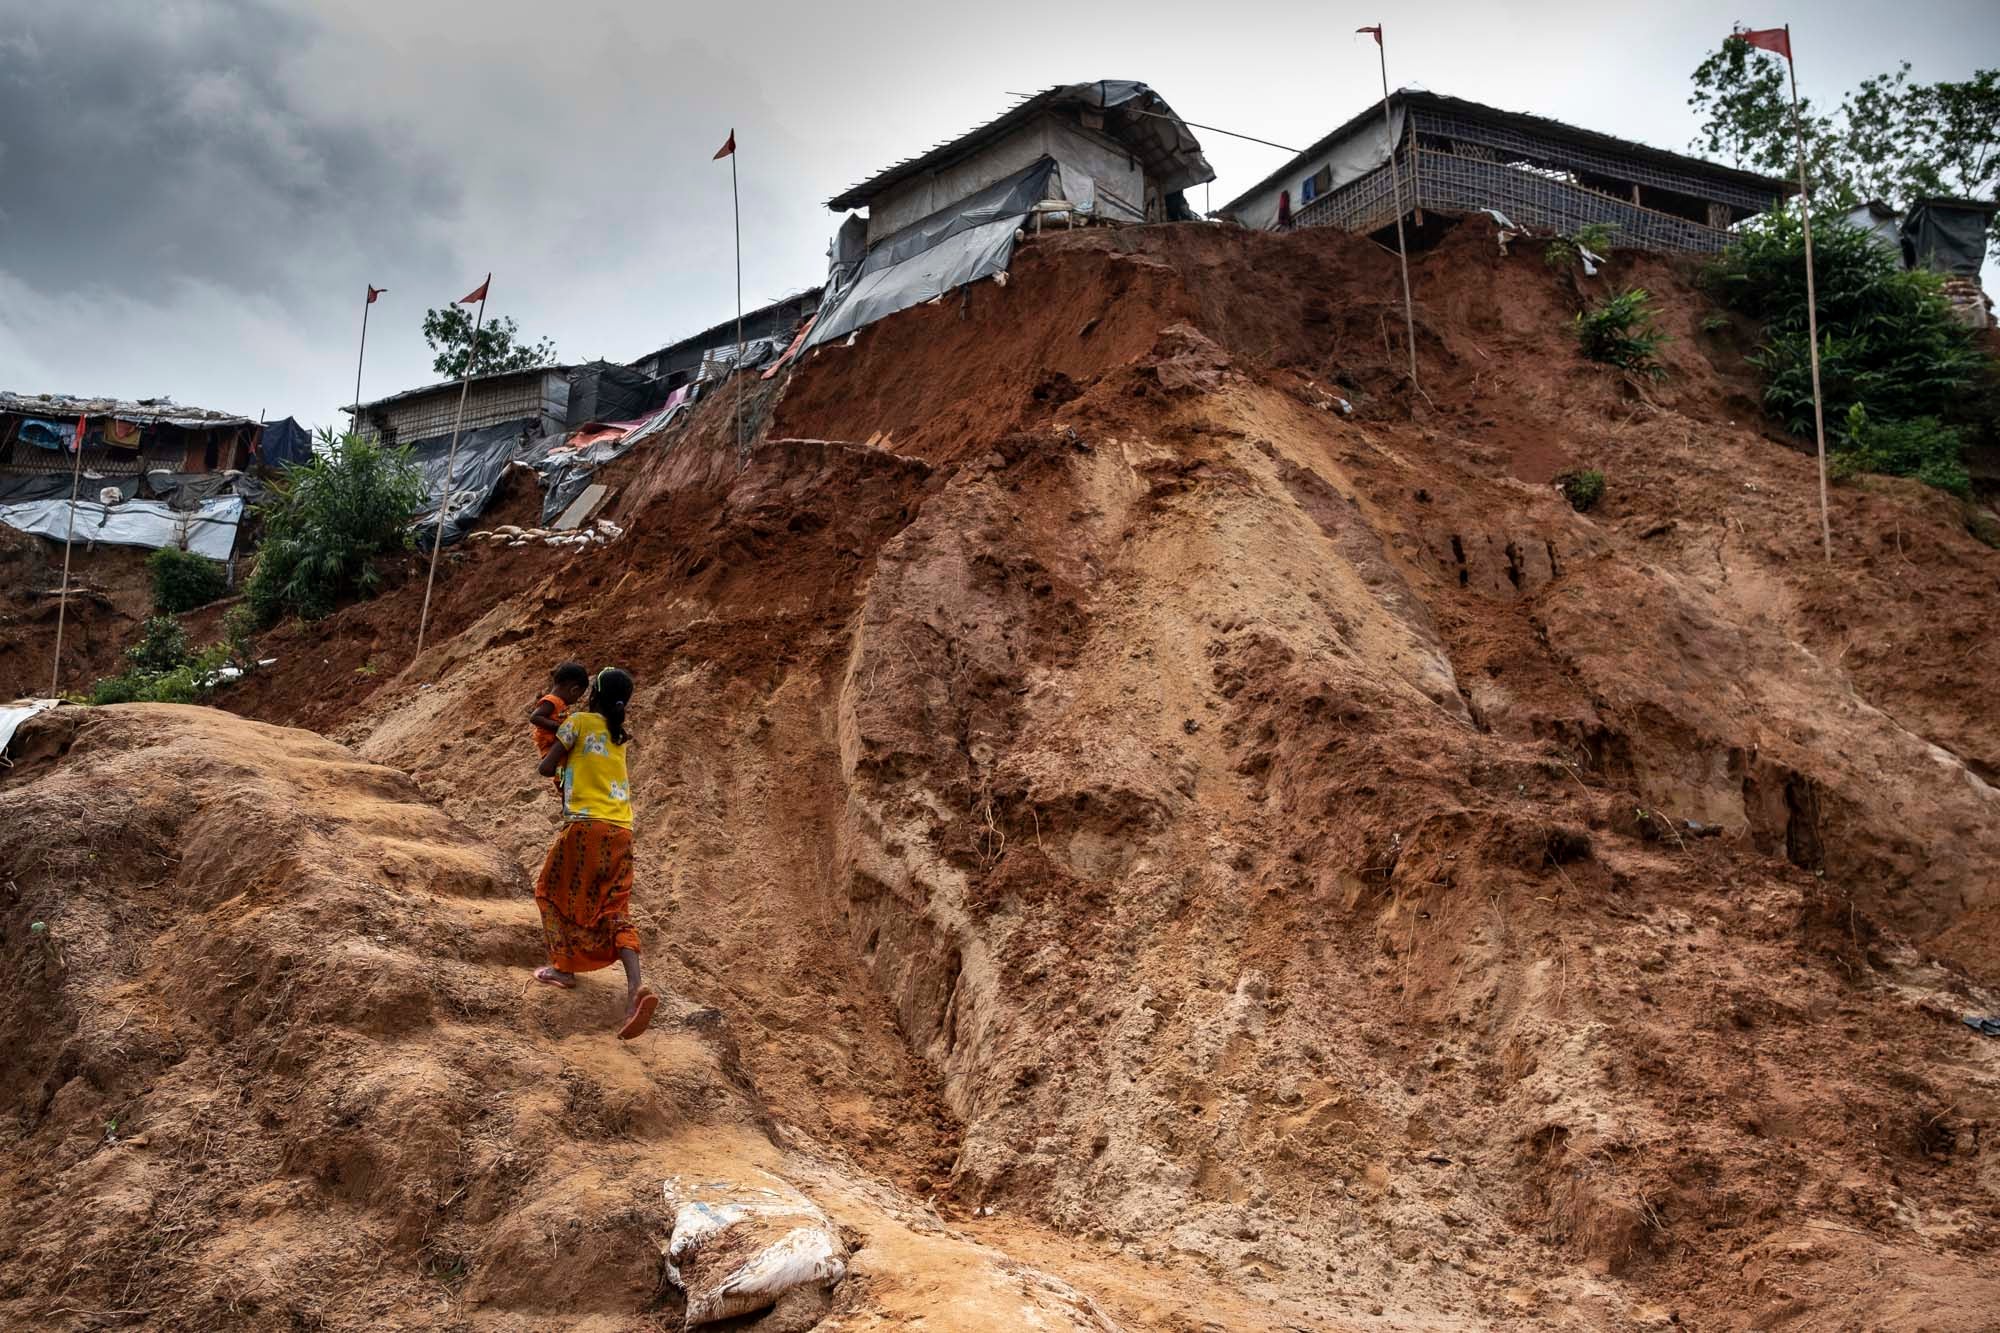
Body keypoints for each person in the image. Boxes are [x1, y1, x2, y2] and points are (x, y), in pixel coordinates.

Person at [534, 666, 657, 1039]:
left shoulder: (580, 723)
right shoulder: (620, 735)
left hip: (586, 827)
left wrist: (561, 741)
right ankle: (636, 988)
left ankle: (564, 969)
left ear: (593, 696)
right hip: (622, 831)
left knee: (550, 892)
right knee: (615, 909)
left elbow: (545, 767)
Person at [529, 661, 590, 795]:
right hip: (549, 744)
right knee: (562, 775)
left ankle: (565, 795)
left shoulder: (560, 703)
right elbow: (535, 717)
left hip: (556, 743)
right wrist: (558, 727)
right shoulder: (552, 701)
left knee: (564, 775)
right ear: (574, 690)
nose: (576, 700)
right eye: (578, 696)